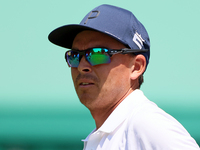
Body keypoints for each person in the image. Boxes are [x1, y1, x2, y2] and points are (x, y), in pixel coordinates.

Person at [48, 4, 200, 150]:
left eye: (98, 53)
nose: (82, 66)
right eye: (75, 55)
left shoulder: (148, 126)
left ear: (137, 67)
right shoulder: (107, 134)